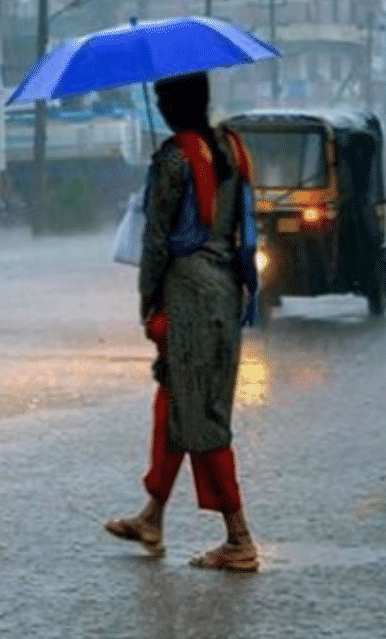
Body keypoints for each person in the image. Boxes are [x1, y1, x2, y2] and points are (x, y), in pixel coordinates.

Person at [104, 71, 260, 572]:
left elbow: (155, 241)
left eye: (162, 97)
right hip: (225, 293)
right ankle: (152, 515)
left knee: (202, 416)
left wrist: (148, 299)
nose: (160, 105)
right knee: (176, 403)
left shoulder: (173, 159)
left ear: (175, 103)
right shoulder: (234, 148)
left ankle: (239, 537)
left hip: (187, 297)